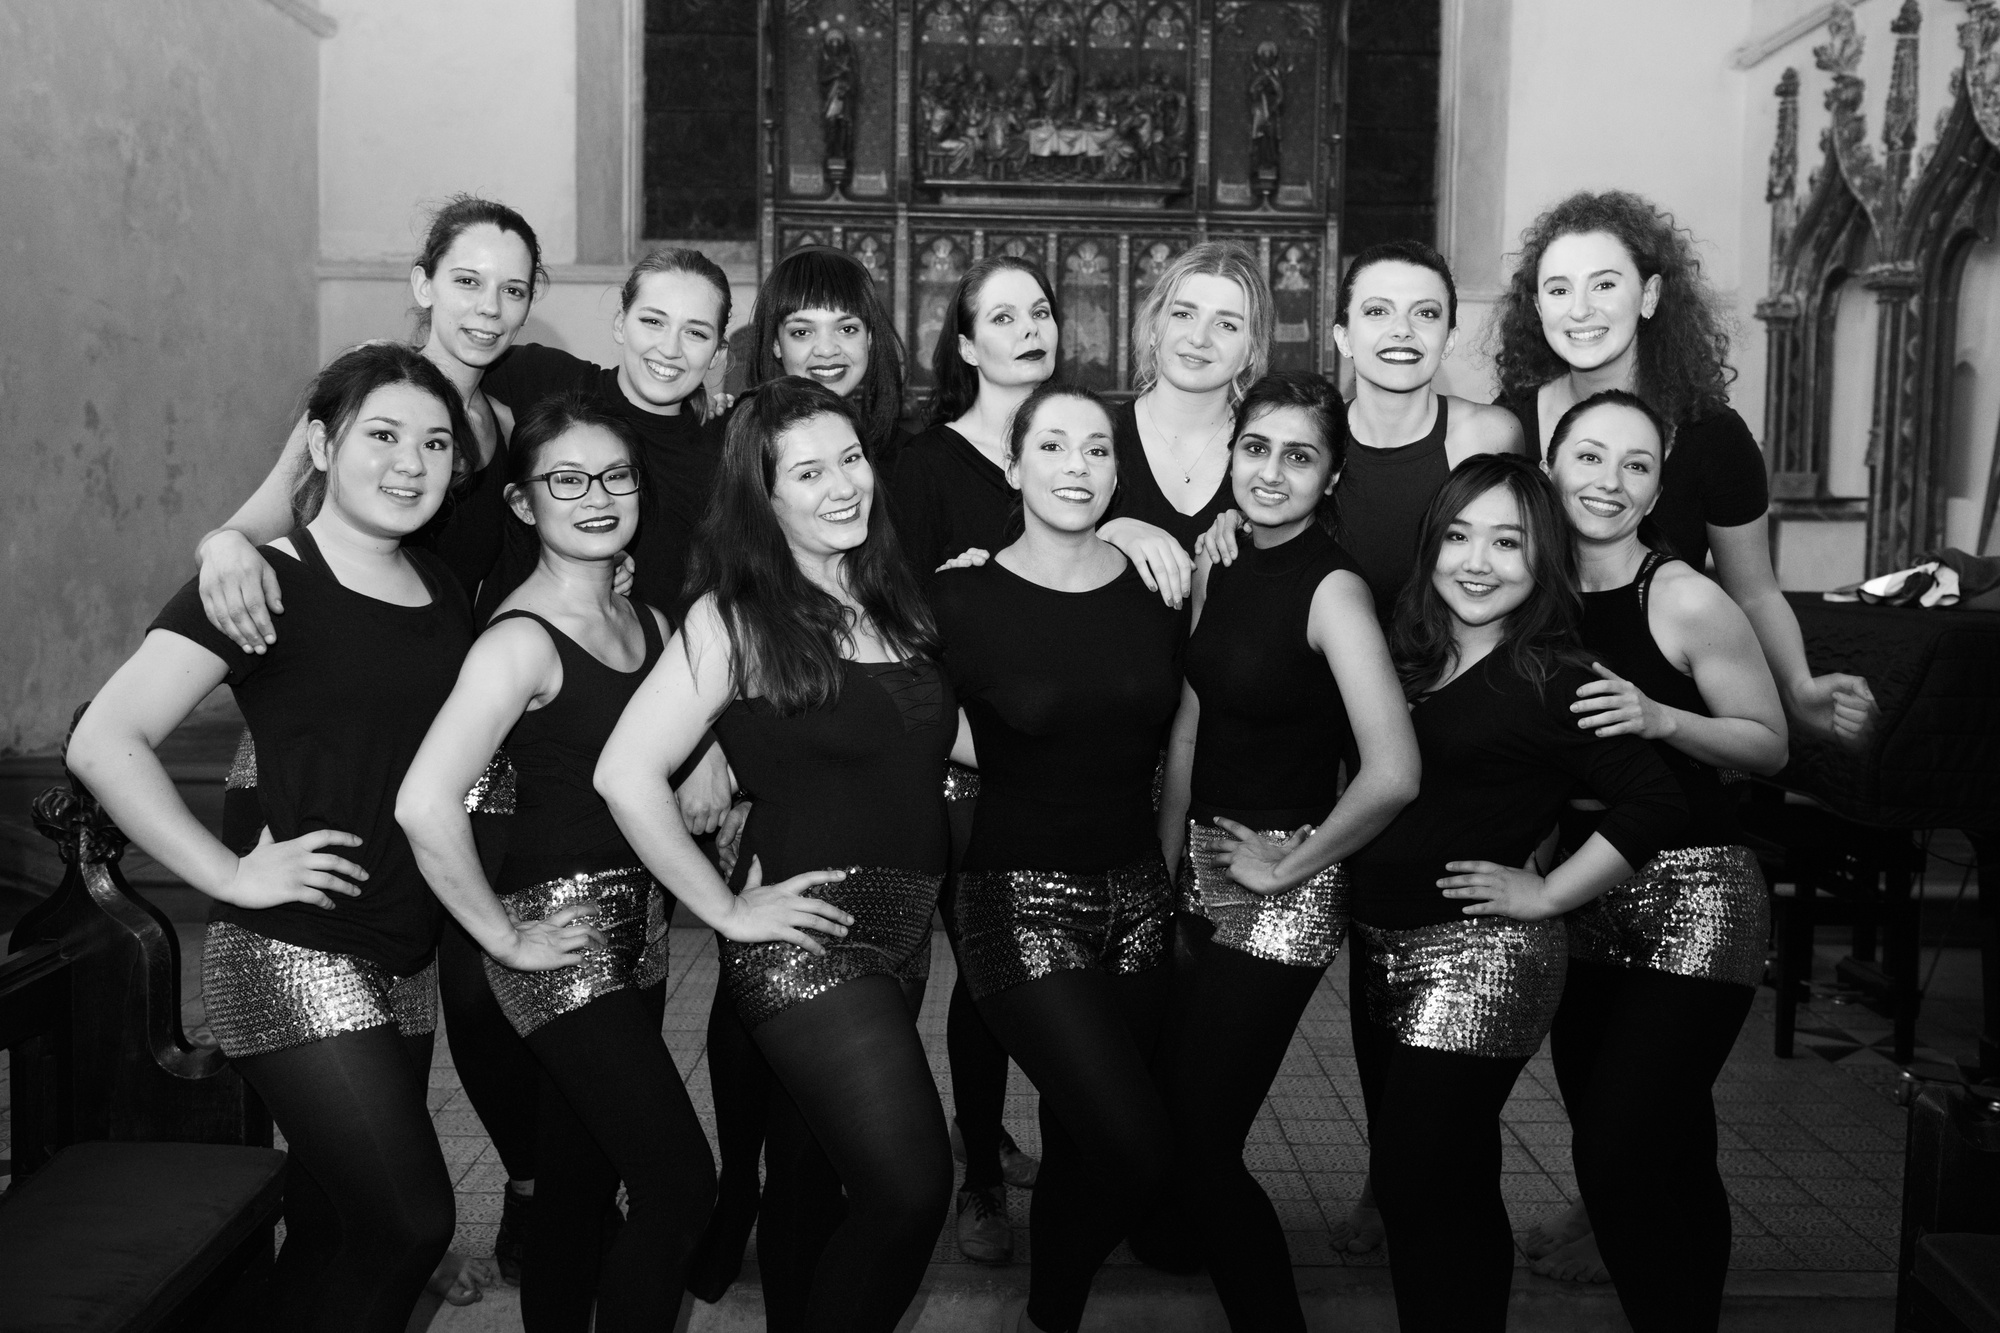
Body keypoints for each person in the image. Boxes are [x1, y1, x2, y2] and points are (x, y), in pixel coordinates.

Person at [68, 344, 480, 1331]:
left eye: (434, 443)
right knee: (411, 1223)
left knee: (337, 1225)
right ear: (322, 447)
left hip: (400, 951)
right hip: (292, 949)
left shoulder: (438, 587)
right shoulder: (265, 579)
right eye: (383, 435)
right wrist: (227, 872)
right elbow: (104, 738)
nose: (411, 462)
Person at [596, 377, 956, 1333]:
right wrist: (723, 910)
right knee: (911, 1188)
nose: (843, 484)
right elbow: (625, 773)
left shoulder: (892, 600)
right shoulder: (737, 616)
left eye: (851, 458)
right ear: (764, 497)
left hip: (903, 935)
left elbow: (928, 740)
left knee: (809, 1184)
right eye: (808, 471)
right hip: (808, 941)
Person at [397, 394, 719, 1332]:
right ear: (522, 502)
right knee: (678, 1185)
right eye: (566, 480)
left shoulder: (650, 621)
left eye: (616, 476)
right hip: (560, 947)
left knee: (577, 1185)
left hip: (641, 937)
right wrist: (501, 935)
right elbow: (425, 801)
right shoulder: (518, 641)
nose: (597, 496)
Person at [1346, 453, 1687, 1332]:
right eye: (1458, 536)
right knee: (1440, 1180)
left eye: (1507, 542)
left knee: (1417, 1177)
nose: (1477, 561)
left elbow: (1655, 799)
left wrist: (1550, 893)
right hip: (1383, 955)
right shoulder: (1406, 658)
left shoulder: (1555, 675)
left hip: (1481, 961)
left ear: (1543, 558)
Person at [1156, 372, 1420, 1332]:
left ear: (1332, 474)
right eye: (1256, 448)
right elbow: (1192, 727)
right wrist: (1163, 868)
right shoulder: (1219, 562)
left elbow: (1394, 771)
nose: (1271, 472)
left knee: (1200, 1137)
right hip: (1196, 869)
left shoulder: (1334, 590)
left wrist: (1290, 867)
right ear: (1231, 453)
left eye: (1299, 456)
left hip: (1283, 895)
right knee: (1174, 1120)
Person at [930, 384, 1190, 1333]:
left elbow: (1182, 734)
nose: (1075, 465)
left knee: (1085, 1142)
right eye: (1051, 446)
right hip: (1016, 900)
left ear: (1118, 475)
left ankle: (1051, 1315)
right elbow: (900, 715)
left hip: (1139, 899)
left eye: (1096, 449)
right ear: (1013, 467)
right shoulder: (958, 596)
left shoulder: (1159, 588)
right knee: (1140, 1146)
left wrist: (1167, 869)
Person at [1538, 391, 1786, 1328]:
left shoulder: (1681, 595)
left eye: (1635, 466)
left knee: (1617, 1156)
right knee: (1672, 1148)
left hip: (1696, 898)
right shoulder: (1534, 594)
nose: (1610, 481)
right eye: (1589, 457)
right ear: (1552, 468)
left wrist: (1661, 717)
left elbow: (1769, 744)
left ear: (1653, 493)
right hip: (1587, 895)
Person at [1492, 189, 1875, 754]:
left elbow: (1754, 592)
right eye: (1558, 289)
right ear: (1537, 307)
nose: (1580, 309)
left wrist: (1797, 687)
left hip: (1665, 717)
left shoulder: (1712, 436)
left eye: (1604, 284)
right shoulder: (1509, 425)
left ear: (1648, 295)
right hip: (1537, 708)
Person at [891, 253, 1068, 1264]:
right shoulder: (925, 464)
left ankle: (1020, 1141)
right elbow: (896, 612)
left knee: (1056, 957)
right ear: (964, 344)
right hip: (965, 755)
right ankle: (982, 1179)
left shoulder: (1076, 439)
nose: (1027, 328)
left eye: (1039, 311)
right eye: (1001, 316)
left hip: (1066, 750)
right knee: (987, 965)